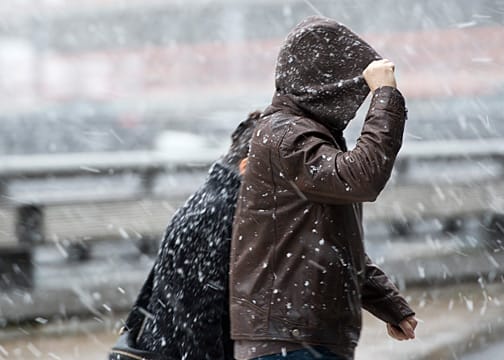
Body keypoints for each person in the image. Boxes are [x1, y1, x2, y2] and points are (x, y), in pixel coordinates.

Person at [229, 16, 417, 360]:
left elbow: (330, 243)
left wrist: (387, 303)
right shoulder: (287, 135)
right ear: (325, 87)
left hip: (299, 337)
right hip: (291, 342)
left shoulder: (301, 134)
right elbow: (363, 178)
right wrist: (385, 96)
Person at [113, 111, 260, 360]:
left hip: (164, 346)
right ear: (246, 166)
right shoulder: (217, 211)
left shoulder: (213, 200)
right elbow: (198, 320)